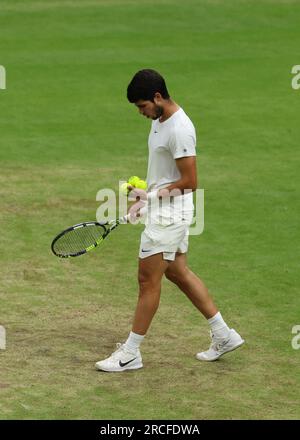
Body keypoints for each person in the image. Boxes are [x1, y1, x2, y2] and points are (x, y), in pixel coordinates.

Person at [95, 69, 244, 372]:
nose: (141, 113)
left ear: (158, 97)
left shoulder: (180, 129)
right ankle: (223, 334)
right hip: (165, 209)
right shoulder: (159, 120)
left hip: (170, 214)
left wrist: (152, 200)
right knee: (177, 272)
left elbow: (190, 182)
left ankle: (130, 353)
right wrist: (143, 199)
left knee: (147, 280)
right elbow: (166, 175)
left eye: (142, 106)